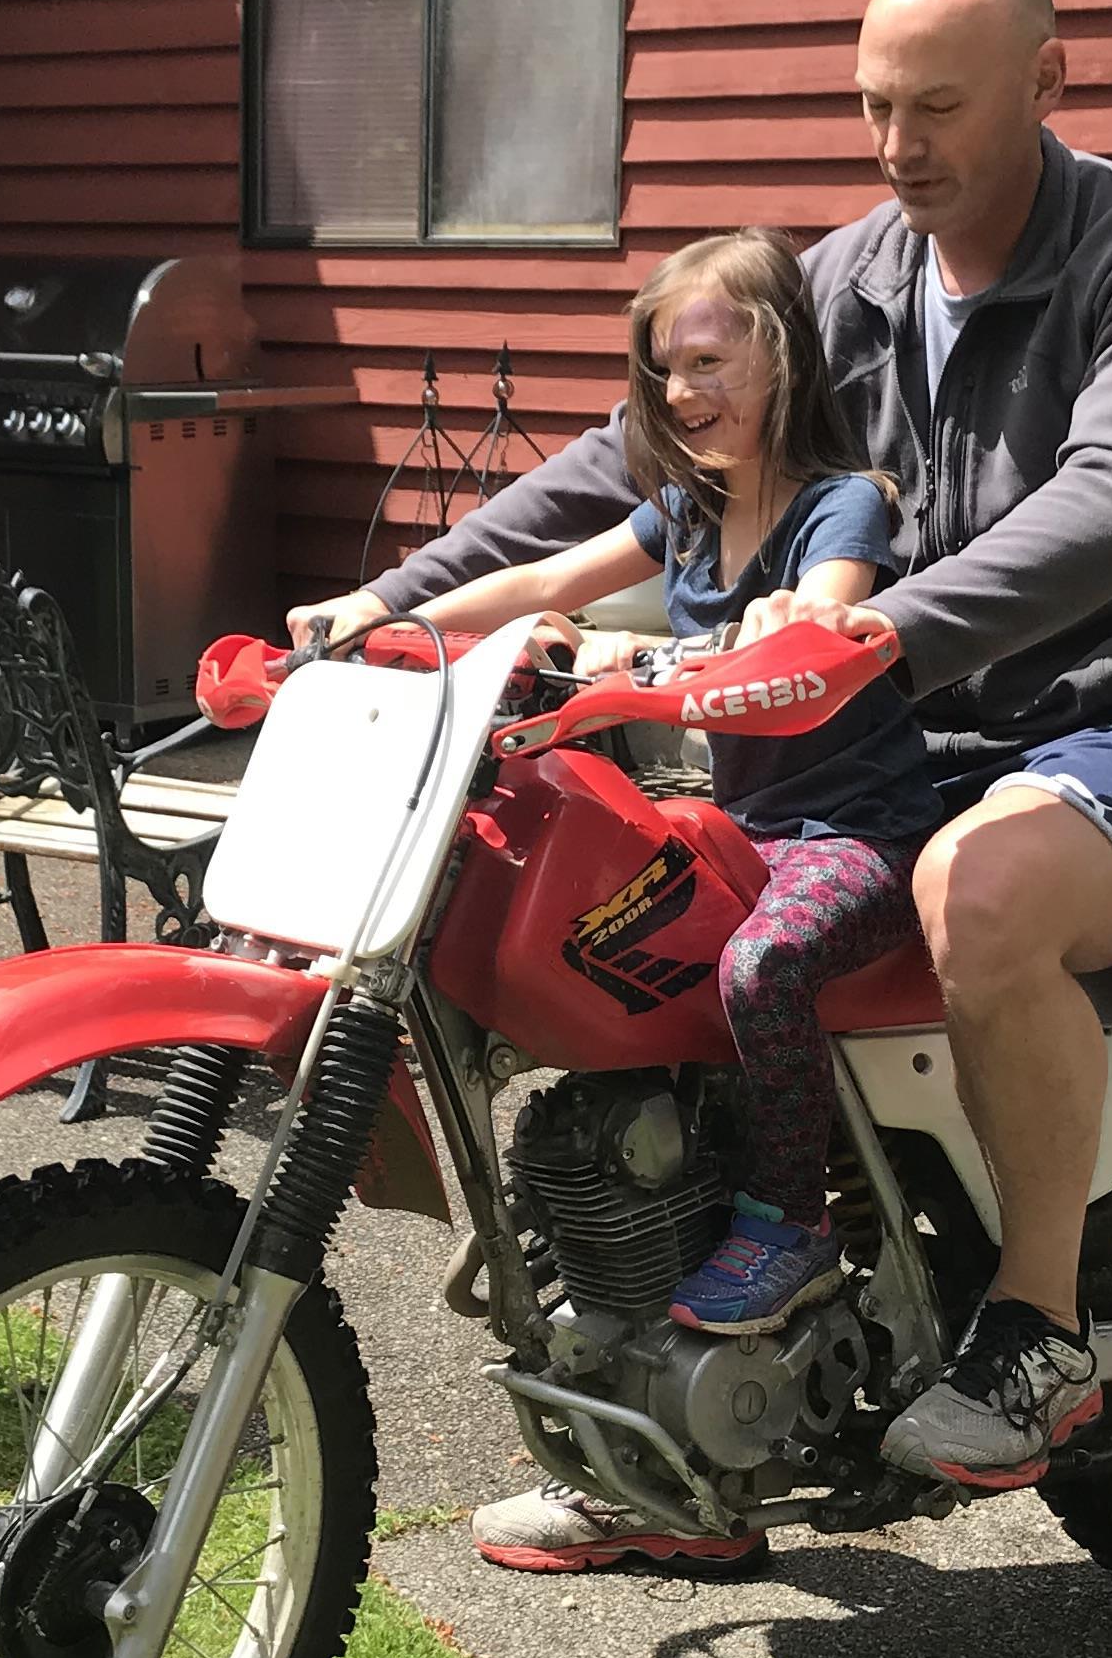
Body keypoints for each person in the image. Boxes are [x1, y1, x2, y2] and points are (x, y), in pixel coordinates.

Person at [296, 0, 1112, 1560]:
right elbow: (625, 464)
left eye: (937, 108)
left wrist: (876, 633)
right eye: (871, 106)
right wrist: (383, 606)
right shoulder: (844, 280)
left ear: (1048, 84)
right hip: (914, 737)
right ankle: (677, 1452)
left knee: (974, 892)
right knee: (653, 914)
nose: (898, 146)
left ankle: (1035, 1330)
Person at [397, 233, 951, 1566]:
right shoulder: (688, 506)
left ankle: (793, 1233)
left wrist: (670, 646)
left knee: (759, 973)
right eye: (665, 366)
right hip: (742, 824)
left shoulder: (839, 505)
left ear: (780, 352)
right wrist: (384, 620)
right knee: (624, 1014)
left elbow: (818, 619)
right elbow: (540, 581)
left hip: (853, 833)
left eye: (712, 358)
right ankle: (671, 1469)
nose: (687, 388)